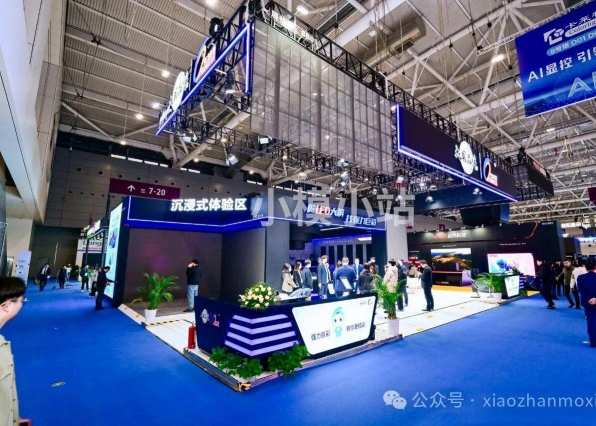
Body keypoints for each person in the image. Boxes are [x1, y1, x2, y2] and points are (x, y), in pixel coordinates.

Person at [0, 277, 27, 425]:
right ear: (6, 305)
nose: (22, 305)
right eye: (22, 301)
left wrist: (14, 419)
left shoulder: (3, 343)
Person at [577, 258, 596, 347]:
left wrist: (590, 299)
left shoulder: (581, 278)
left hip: (588, 303)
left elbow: (581, 291)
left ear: (585, 267)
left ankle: (593, 341)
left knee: (591, 321)